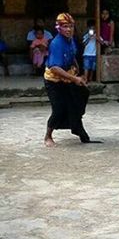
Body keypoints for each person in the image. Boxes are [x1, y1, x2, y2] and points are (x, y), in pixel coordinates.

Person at [43, 13, 97, 147]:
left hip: (68, 77)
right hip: (54, 81)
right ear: (59, 28)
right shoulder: (56, 43)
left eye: (71, 26)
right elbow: (55, 67)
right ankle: (48, 136)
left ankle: (77, 128)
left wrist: (77, 68)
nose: (68, 29)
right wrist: (74, 78)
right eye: (65, 27)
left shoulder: (71, 39)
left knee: (79, 98)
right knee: (59, 108)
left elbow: (72, 54)